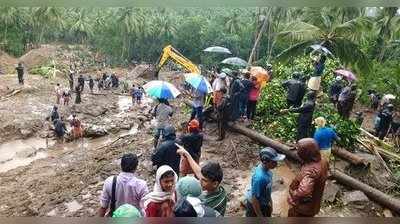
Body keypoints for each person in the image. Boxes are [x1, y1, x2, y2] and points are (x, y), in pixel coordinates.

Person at [176, 145, 227, 216]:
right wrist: (187, 154)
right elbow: (198, 171)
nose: (199, 182)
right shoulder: (220, 190)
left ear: (215, 184)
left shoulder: (207, 203)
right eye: (201, 179)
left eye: (204, 180)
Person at [288, 138, 328, 217]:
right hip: (314, 203)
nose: (297, 152)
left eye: (299, 150)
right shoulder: (323, 161)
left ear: (306, 153)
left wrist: (293, 196)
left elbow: (304, 191)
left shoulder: (310, 171)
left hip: (303, 208)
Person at [245, 147, 285, 217]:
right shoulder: (260, 178)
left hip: (264, 201)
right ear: (265, 162)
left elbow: (267, 190)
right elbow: (254, 199)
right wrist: (260, 216)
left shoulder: (268, 171)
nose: (276, 164)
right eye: (273, 162)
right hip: (255, 206)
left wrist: (270, 203)